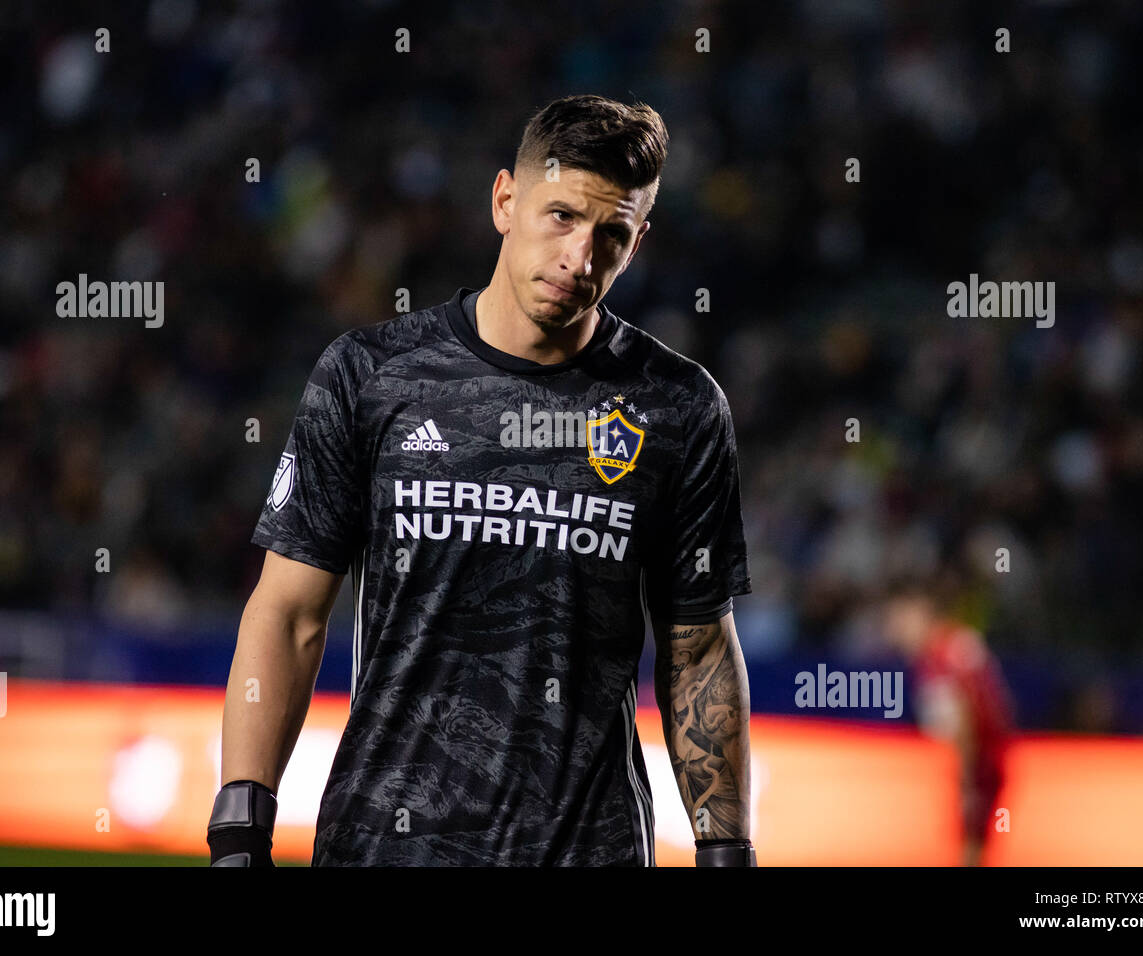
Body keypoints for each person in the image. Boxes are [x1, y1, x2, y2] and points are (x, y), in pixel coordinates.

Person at [208, 94, 756, 867]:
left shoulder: (678, 407)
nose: (580, 257)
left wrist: (726, 848)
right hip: (383, 846)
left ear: (637, 245)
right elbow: (288, 614)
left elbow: (697, 648)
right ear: (505, 200)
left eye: (612, 234)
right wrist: (239, 827)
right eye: (561, 216)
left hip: (585, 851)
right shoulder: (370, 376)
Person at [882, 577, 1014, 866]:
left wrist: (965, 781)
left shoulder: (939, 658)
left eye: (901, 619)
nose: (896, 630)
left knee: (969, 847)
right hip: (989, 759)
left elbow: (963, 719)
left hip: (980, 763)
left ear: (922, 612)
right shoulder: (956, 643)